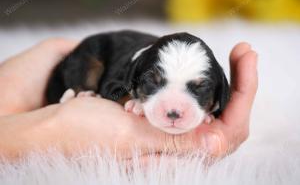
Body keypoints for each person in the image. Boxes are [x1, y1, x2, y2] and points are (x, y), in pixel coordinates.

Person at [0, 38, 258, 160]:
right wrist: (126, 99)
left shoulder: (218, 90)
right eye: (153, 84)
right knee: (88, 62)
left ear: (219, 91)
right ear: (136, 79)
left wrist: (210, 112)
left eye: (198, 90)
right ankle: (75, 89)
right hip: (101, 50)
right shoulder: (131, 70)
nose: (174, 110)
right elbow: (114, 86)